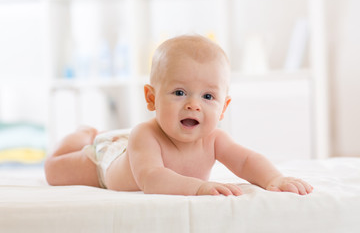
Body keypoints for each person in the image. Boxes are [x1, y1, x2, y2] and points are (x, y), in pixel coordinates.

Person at [45, 35, 313, 196]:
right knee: (53, 171)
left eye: (208, 97)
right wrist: (197, 188)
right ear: (151, 98)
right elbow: (150, 178)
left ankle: (93, 133)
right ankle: (84, 134)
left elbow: (245, 160)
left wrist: (273, 179)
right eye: (179, 92)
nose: (193, 105)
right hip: (106, 160)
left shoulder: (215, 139)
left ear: (224, 107)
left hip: (128, 149)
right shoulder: (145, 134)